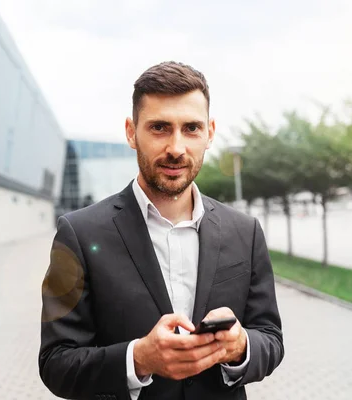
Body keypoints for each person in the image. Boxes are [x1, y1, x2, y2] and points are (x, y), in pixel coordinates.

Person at [39, 61, 284, 400]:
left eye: (192, 128)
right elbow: (56, 363)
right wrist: (138, 358)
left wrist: (241, 345)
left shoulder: (246, 231)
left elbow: (270, 337)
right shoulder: (78, 234)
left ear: (210, 133)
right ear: (131, 132)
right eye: (159, 127)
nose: (176, 148)